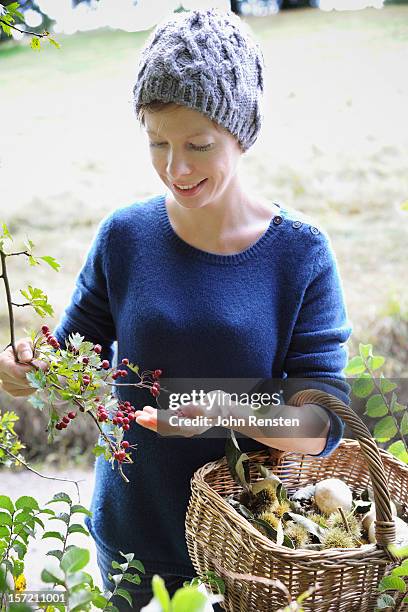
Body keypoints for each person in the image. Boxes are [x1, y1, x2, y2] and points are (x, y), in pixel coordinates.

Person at [0, 8, 352, 610]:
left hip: (250, 545)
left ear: (241, 133)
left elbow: (321, 423)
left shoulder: (301, 255)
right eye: (157, 142)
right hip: (132, 533)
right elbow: (69, 354)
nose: (176, 168)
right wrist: (21, 370)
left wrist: (208, 410)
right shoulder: (125, 237)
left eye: (198, 144)